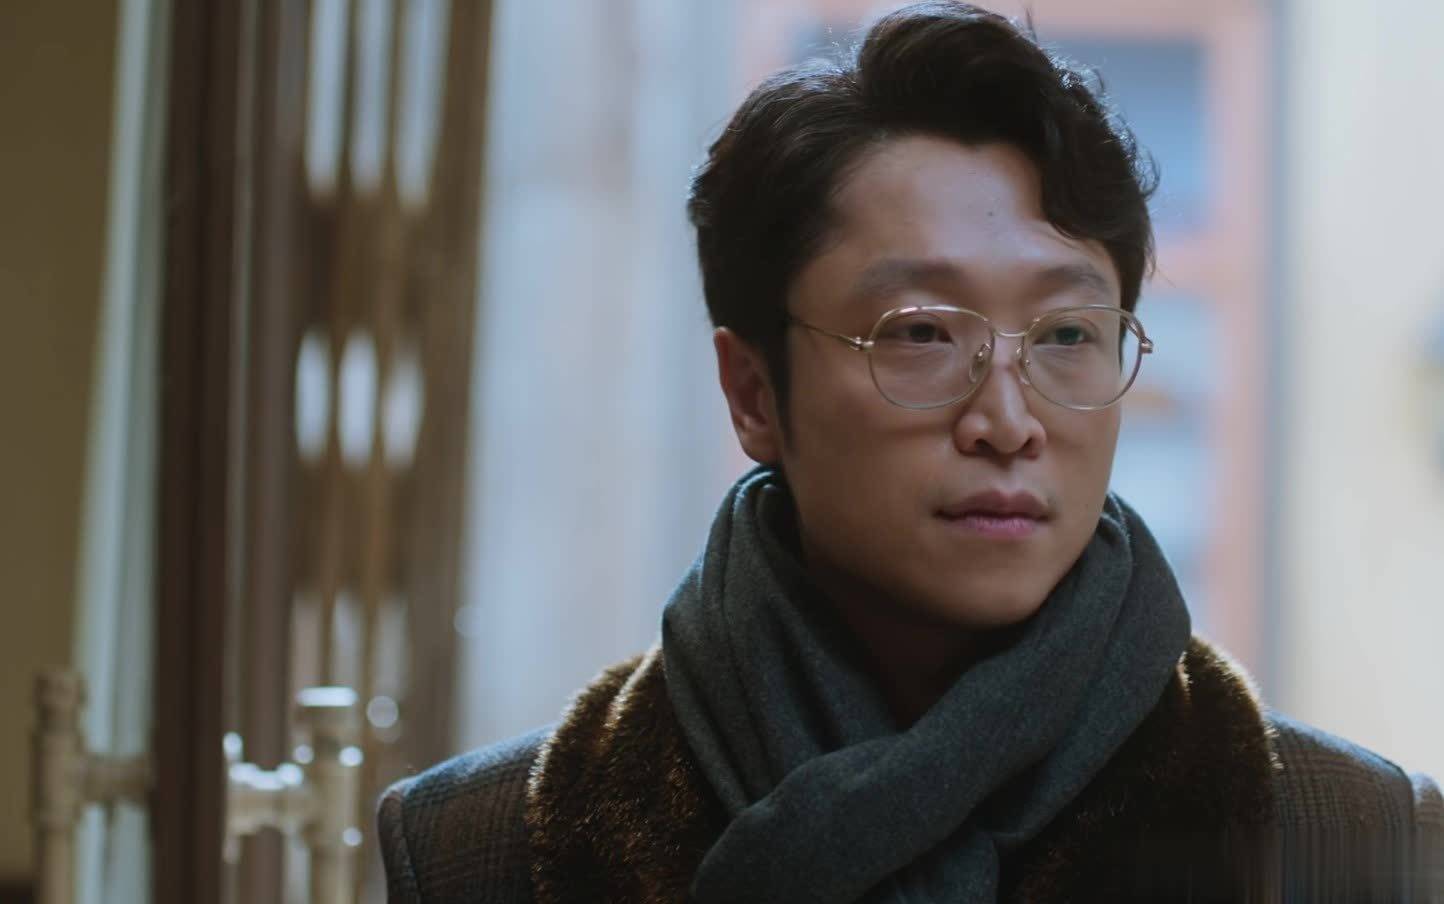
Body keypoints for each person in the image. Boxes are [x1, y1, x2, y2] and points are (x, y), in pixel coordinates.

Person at [377, 3, 1442, 901]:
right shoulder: (492, 849)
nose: (1008, 421)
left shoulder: (1346, 838)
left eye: (1068, 335)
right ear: (753, 393)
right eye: (923, 333)